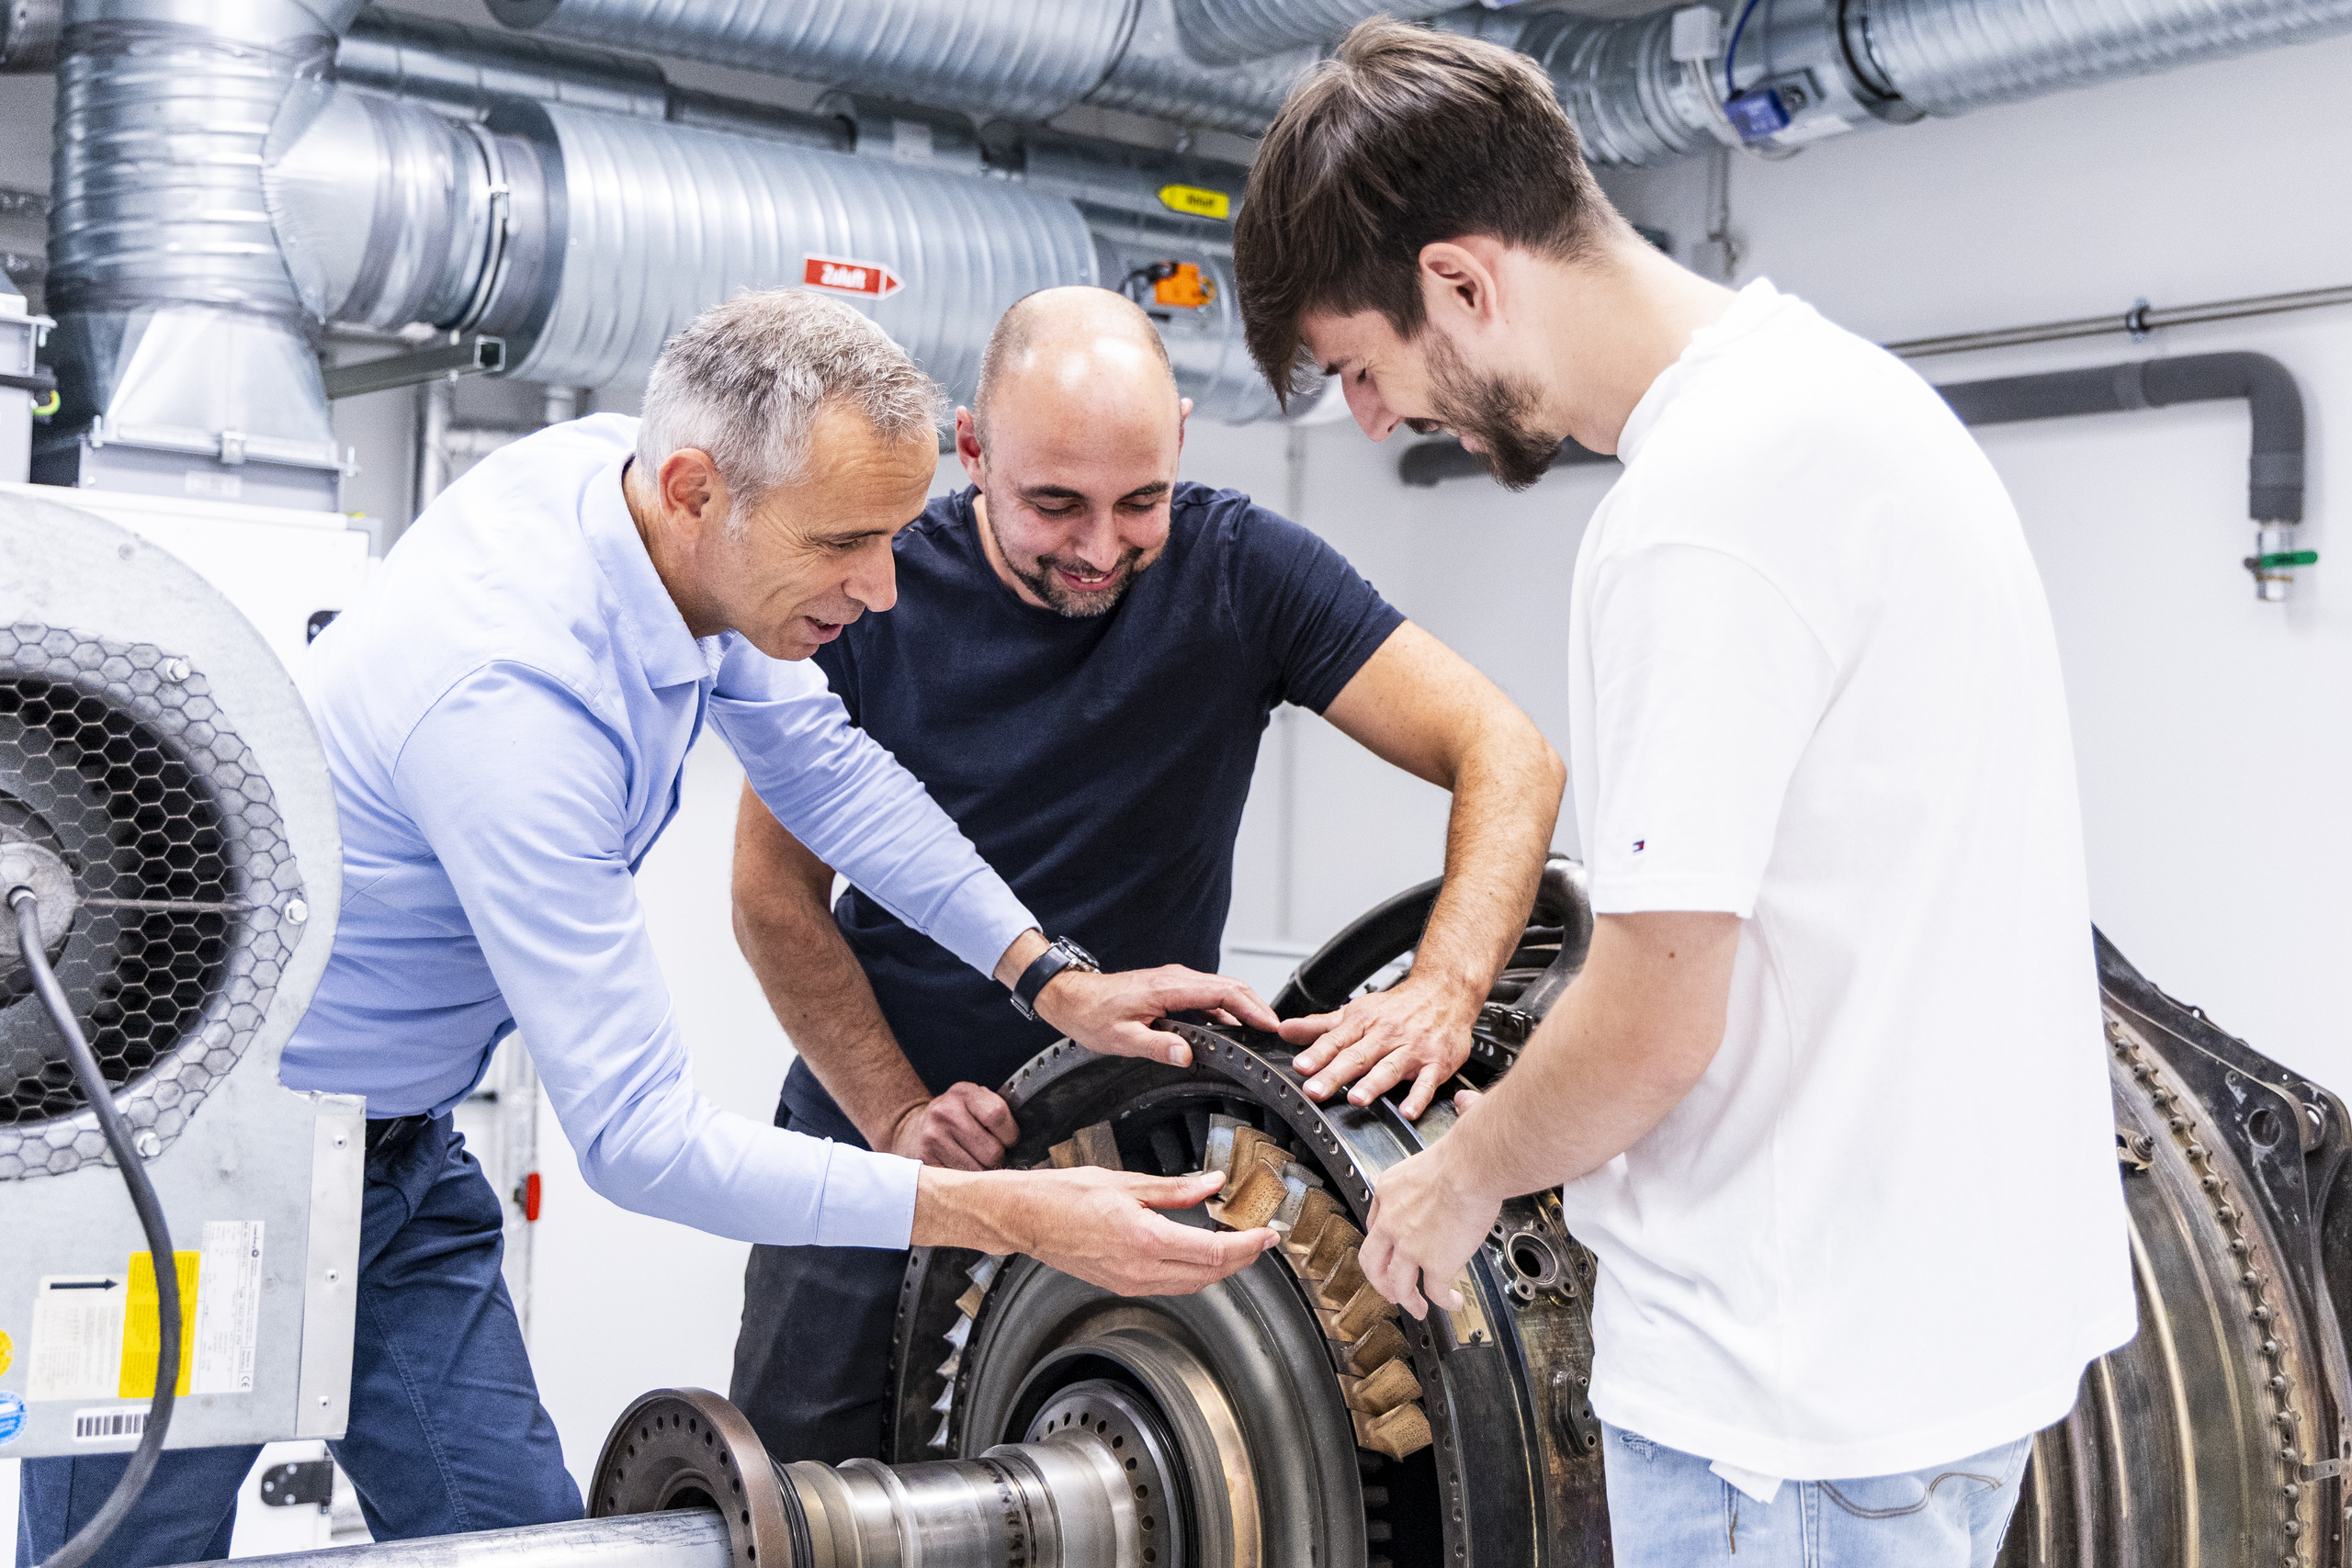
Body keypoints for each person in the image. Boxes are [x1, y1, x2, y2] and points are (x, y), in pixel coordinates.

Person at [17, 289, 1283, 1567]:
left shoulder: (626, 498)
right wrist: (1008, 1215)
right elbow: (640, 1140)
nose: (883, 586)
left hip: (392, 1165)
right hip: (198, 1185)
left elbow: (828, 772)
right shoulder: (514, 707)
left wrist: (1048, 976)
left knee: (525, 1548)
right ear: (695, 492)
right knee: (128, 1554)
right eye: (846, 542)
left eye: (895, 535)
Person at [1229, 22, 2134, 1568]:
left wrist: (1460, 1176)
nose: (1373, 421)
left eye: (1363, 369)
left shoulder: (1695, 517)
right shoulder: (1854, 403)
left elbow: (1657, 1019)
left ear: (1461, 280)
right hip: (1937, 1351)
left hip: (1779, 1415)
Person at [726, 285, 1566, 1464]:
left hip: (1134, 1139)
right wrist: (894, 1109)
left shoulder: (1241, 571)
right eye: (1054, 505)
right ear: (973, 451)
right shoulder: (870, 595)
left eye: (1140, 501)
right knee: (806, 1503)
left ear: (1178, 437)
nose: (1098, 548)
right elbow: (772, 895)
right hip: (890, 1146)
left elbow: (1508, 755)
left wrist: (1443, 990)